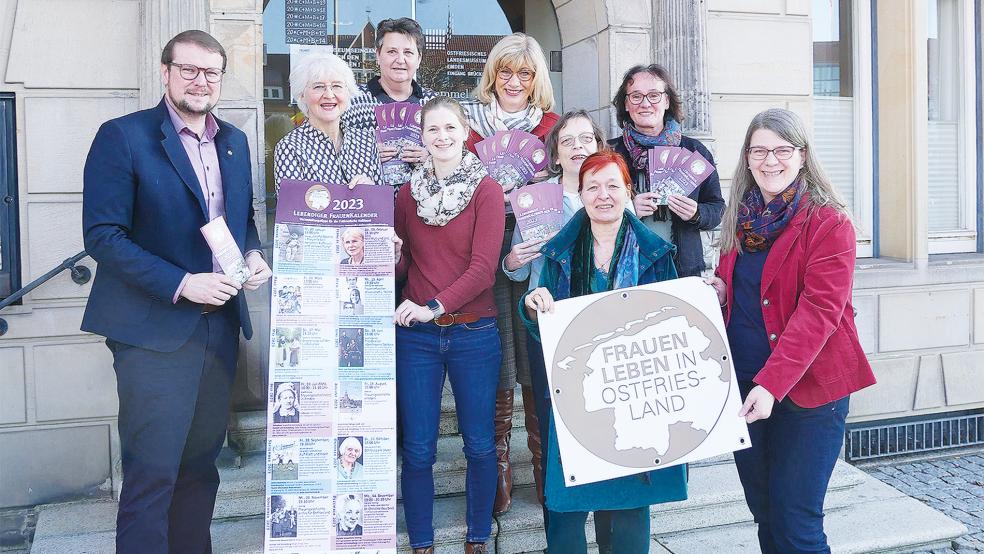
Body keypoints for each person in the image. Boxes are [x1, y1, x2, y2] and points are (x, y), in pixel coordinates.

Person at [80, 30, 272, 552]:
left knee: (199, 470)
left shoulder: (234, 141)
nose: (200, 81)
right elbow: (103, 237)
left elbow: (240, 222)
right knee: (153, 474)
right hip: (153, 332)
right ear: (165, 72)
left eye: (210, 72)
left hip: (220, 327)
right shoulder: (123, 136)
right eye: (188, 69)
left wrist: (253, 255)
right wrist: (183, 283)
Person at [705, 108, 877, 553]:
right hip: (743, 385)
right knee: (765, 512)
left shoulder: (829, 223)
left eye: (783, 150)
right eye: (759, 150)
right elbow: (751, 290)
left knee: (797, 522)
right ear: (747, 157)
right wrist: (722, 290)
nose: (770, 160)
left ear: (802, 156)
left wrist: (771, 384)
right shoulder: (740, 217)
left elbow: (820, 311)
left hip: (809, 392)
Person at [521, 151, 687, 553]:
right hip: (577, 406)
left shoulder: (657, 255)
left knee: (629, 519)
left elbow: (675, 327)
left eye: (613, 185)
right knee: (566, 516)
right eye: (592, 187)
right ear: (580, 195)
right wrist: (532, 306)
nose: (603, 195)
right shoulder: (558, 254)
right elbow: (548, 334)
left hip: (635, 408)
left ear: (629, 192)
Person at [393, 96, 505, 554]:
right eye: (432, 129)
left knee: (479, 444)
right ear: (422, 136)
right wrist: (393, 254)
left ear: (465, 133)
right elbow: (402, 270)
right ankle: (422, 540)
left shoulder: (487, 191)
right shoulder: (405, 194)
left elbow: (484, 269)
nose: (441, 137)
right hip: (416, 338)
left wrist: (433, 305)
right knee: (418, 447)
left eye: (450, 128)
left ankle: (477, 536)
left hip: (473, 332)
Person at [461, 31, 560, 515]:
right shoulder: (469, 129)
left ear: (537, 78)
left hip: (542, 250)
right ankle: (499, 464)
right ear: (492, 76)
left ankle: (543, 463)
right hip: (488, 249)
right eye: (506, 71)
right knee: (498, 351)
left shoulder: (553, 127)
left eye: (525, 72)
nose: (514, 81)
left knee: (538, 352)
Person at [500, 109, 608, 508]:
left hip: (601, 326)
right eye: (568, 141)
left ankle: (600, 489)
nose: (578, 148)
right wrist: (512, 259)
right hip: (549, 325)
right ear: (556, 154)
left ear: (598, 146)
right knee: (551, 416)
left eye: (586, 139)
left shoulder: (614, 193)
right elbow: (515, 273)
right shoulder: (534, 198)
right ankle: (557, 502)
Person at [609, 64, 724, 278]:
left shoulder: (694, 151)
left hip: (681, 269)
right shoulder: (610, 154)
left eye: (654, 95)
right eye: (636, 96)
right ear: (625, 104)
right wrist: (628, 208)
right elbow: (589, 207)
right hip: (625, 269)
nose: (645, 104)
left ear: (667, 100)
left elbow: (717, 208)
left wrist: (696, 212)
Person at [342, 18, 437, 172]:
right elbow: (333, 153)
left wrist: (431, 157)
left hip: (420, 195)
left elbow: (452, 152)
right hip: (369, 195)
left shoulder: (433, 104)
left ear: (419, 59)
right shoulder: (351, 102)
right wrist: (363, 156)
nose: (400, 60)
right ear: (378, 55)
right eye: (392, 52)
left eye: (408, 52)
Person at [273, 54, 378, 193]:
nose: (329, 94)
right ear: (302, 95)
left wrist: (372, 191)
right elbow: (291, 211)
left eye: (337, 86)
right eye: (318, 87)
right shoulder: (290, 147)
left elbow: (381, 209)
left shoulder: (366, 141)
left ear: (348, 92)